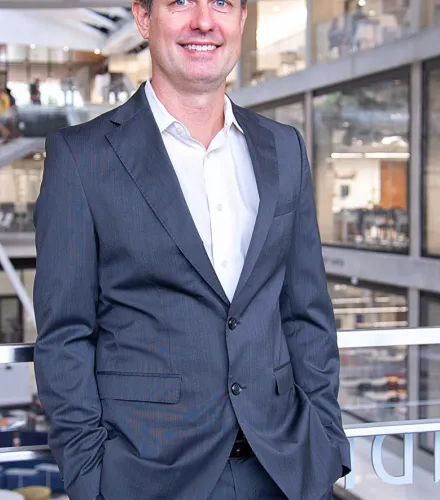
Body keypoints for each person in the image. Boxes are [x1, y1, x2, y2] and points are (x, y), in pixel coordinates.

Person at [33, 0, 351, 498]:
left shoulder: (283, 148)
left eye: (222, 3)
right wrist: (90, 479)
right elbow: (65, 335)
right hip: (148, 476)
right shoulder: (81, 157)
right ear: (143, 17)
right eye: (180, 2)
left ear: (242, 21)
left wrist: (326, 436)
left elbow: (306, 310)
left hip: (285, 470)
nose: (204, 20)